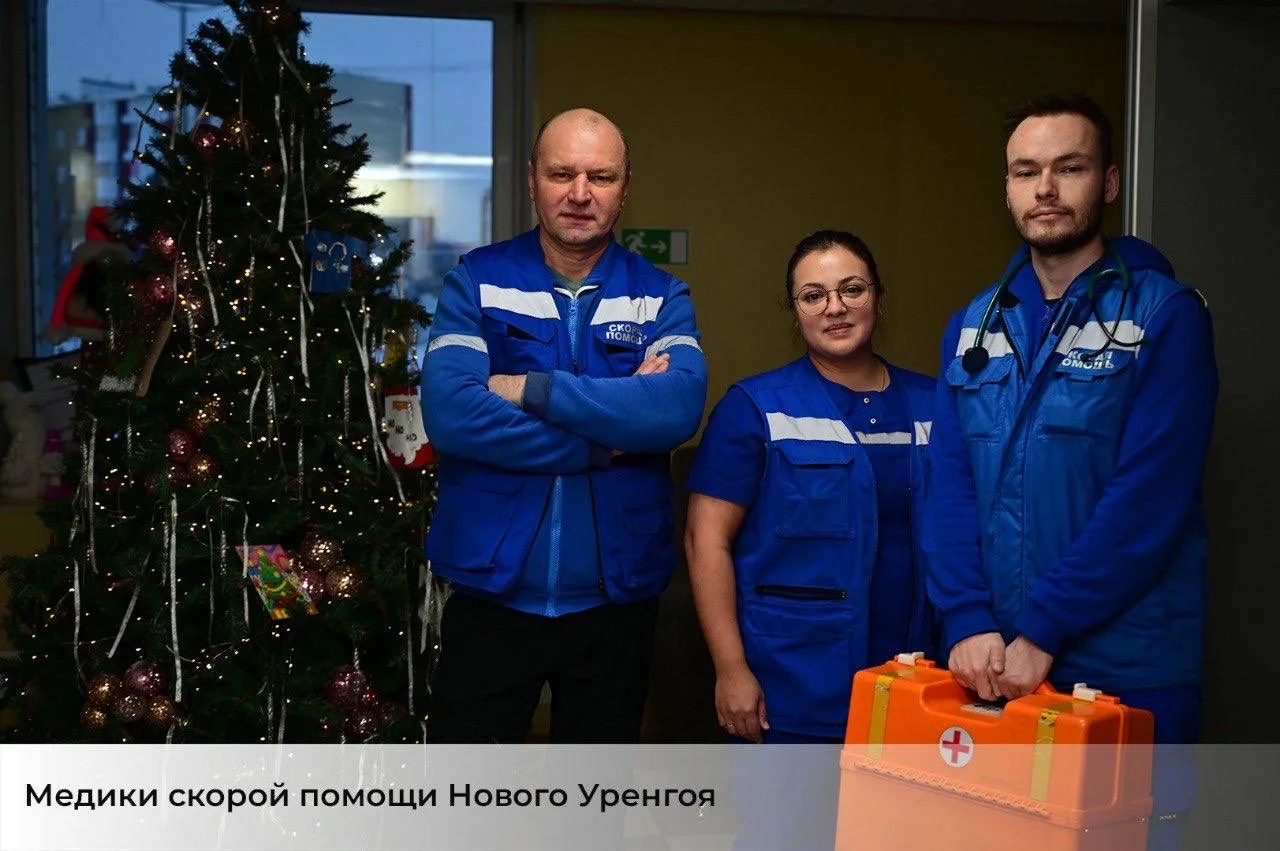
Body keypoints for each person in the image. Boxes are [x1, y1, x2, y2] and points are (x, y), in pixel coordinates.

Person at [926, 93, 1216, 846]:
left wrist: (1044, 628)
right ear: (1007, 188)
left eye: (1070, 168)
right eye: (1026, 172)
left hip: (1129, 662)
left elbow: (1146, 503)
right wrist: (966, 618)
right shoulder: (973, 326)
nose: (1046, 189)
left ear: (1109, 182)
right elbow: (947, 486)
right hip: (993, 662)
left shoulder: (1164, 317)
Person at [421, 107, 707, 744]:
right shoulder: (476, 282)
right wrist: (605, 441)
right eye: (561, 174)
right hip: (493, 596)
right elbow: (451, 414)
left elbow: (675, 410)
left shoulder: (662, 296)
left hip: (616, 602)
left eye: (600, 177)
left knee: (592, 795)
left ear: (624, 187)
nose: (580, 194)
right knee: (465, 790)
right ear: (532, 180)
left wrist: (528, 388)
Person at [684, 230, 935, 849]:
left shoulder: (938, 404)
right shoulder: (755, 407)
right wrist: (731, 669)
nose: (835, 307)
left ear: (878, 298)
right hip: (794, 681)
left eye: (852, 289)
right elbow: (704, 540)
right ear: (794, 310)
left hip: (920, 678)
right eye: (813, 295)